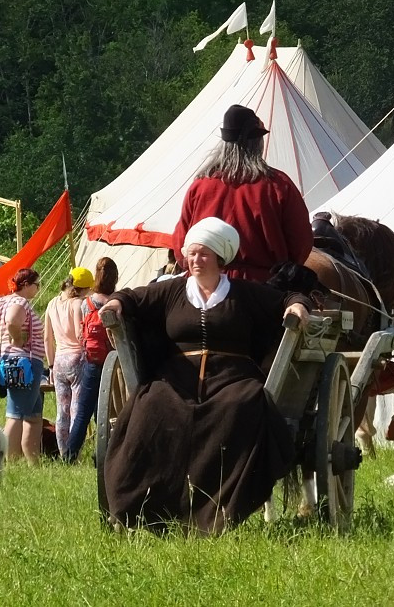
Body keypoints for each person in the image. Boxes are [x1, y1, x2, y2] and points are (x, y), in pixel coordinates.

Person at [99, 217, 311, 533]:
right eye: (192, 253)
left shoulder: (243, 293)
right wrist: (115, 302)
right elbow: (132, 297)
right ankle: (150, 507)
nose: (196, 260)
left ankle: (219, 511)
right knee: (152, 405)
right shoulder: (171, 290)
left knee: (244, 404)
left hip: (232, 377)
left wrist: (297, 307)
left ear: (220, 257)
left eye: (204, 254)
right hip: (177, 377)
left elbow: (288, 298)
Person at [172, 104, 312, 282]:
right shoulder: (278, 185)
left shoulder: (199, 186)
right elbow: (301, 242)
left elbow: (180, 245)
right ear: (257, 143)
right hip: (261, 289)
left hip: (205, 286)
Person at [64, 258, 118, 462]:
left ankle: (69, 455)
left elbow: (81, 334)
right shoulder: (115, 301)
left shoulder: (87, 302)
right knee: (107, 412)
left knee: (83, 411)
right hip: (112, 362)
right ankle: (101, 455)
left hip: (91, 360)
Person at [0, 268, 45, 464]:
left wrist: (2, 335)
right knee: (16, 414)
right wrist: (17, 339)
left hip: (11, 359)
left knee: (33, 414)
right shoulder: (19, 301)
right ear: (26, 285)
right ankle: (9, 462)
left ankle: (33, 461)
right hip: (22, 362)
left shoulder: (3, 301)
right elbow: (12, 320)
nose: (38, 289)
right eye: (36, 285)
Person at [44, 268, 92, 457]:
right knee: (76, 409)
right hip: (76, 357)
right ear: (83, 288)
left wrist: (50, 365)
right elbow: (80, 334)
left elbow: (48, 338)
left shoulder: (52, 303)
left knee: (61, 410)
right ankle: (74, 452)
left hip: (59, 360)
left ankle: (63, 451)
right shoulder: (77, 304)